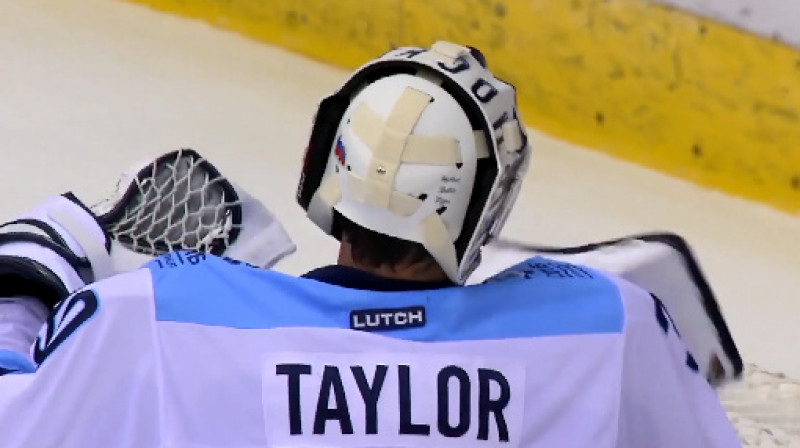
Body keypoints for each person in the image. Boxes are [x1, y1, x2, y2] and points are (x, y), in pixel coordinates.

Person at [0, 41, 741, 447]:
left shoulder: (162, 311)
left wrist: (30, 273)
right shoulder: (606, 328)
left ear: (325, 164)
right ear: (481, 208)